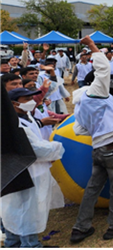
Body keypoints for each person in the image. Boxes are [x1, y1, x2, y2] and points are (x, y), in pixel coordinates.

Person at [70, 36, 113, 243]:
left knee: (92, 188)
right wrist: (91, 45)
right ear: (95, 83)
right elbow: (103, 68)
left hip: (98, 149)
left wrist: (98, 129)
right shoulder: (96, 93)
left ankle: (80, 228)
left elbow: (79, 129)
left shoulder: (79, 105)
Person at [2, 87, 65, 248]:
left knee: (17, 209)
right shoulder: (15, 124)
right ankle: (30, 245)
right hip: (26, 171)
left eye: (31, 98)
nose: (31, 102)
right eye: (26, 99)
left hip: (30, 169)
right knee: (26, 211)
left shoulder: (27, 116)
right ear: (13, 104)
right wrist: (56, 148)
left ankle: (13, 243)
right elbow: (35, 149)